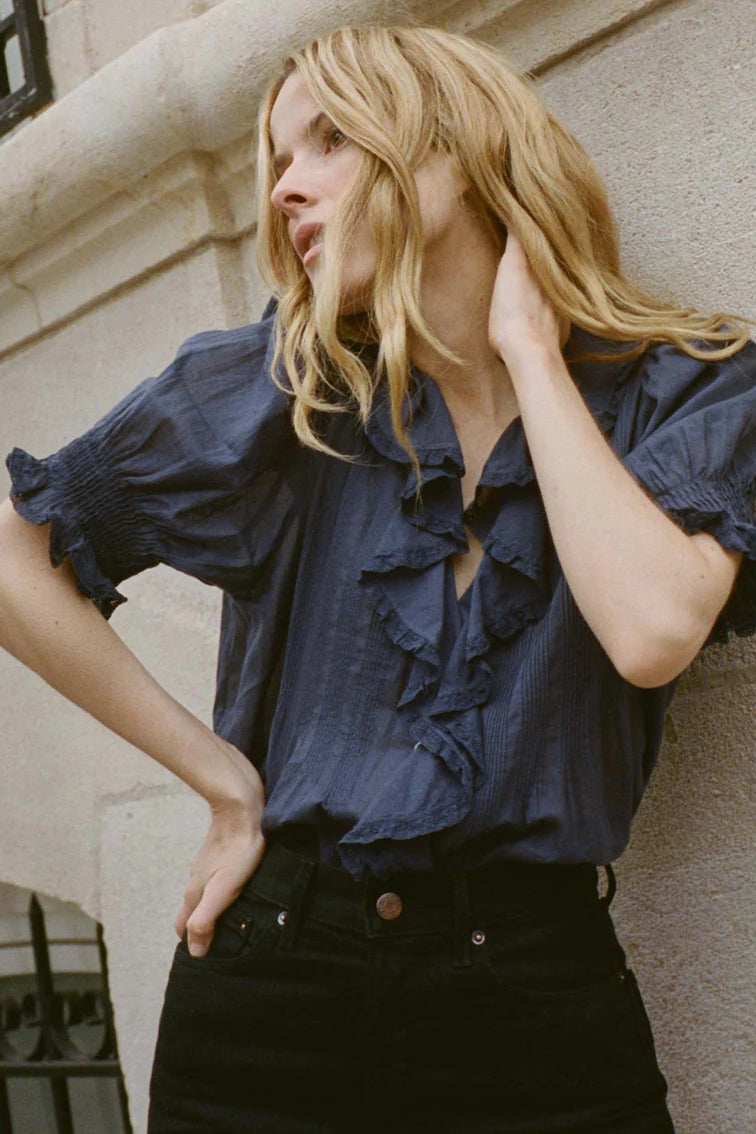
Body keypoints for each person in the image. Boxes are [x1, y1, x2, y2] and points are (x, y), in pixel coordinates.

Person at [1, 21, 755, 1133]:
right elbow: (15, 557)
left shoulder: (688, 388)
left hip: (535, 1001)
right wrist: (223, 785)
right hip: (267, 985)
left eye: (329, 143)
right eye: (277, 162)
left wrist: (531, 352)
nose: (284, 191)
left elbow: (651, 634)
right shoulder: (288, 395)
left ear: (457, 149)